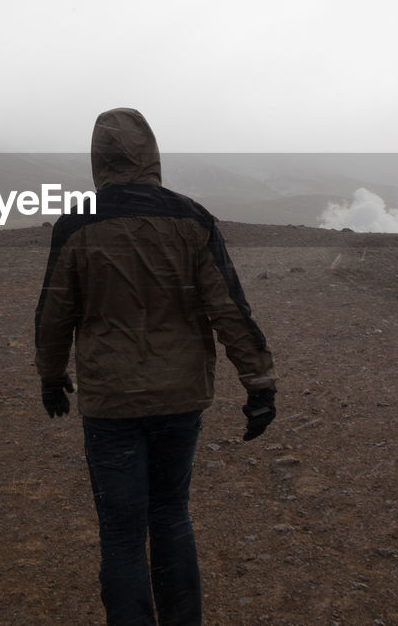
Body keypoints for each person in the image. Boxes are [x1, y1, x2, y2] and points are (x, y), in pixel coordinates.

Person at [34, 107, 277, 626]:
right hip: (179, 397)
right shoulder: (191, 219)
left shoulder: (77, 224)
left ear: (98, 157)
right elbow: (229, 307)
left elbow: (54, 313)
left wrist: (51, 377)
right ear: (151, 154)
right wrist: (258, 383)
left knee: (121, 534)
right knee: (170, 517)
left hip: (110, 404)